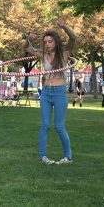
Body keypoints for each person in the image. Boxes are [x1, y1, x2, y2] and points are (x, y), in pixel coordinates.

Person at [21, 18, 76, 165]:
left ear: (56, 42)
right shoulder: (43, 55)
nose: (47, 44)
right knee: (45, 125)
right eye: (45, 42)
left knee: (59, 126)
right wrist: (29, 38)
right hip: (45, 92)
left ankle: (68, 157)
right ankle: (43, 157)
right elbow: (27, 48)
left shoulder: (64, 54)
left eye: (50, 41)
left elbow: (73, 38)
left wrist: (65, 27)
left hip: (59, 92)